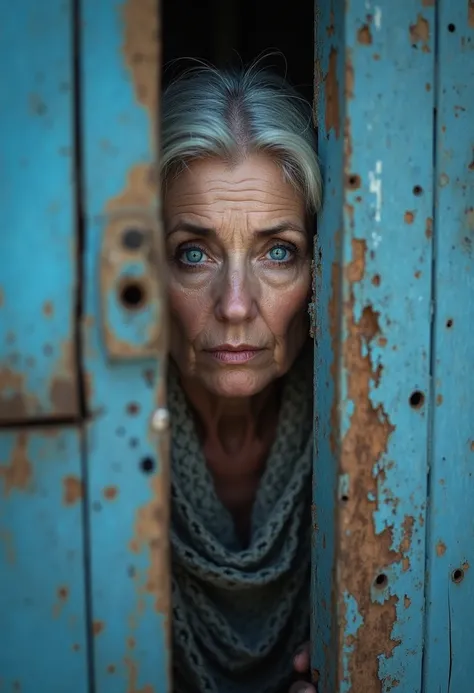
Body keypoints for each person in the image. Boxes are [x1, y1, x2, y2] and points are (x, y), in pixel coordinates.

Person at [161, 61, 322, 693]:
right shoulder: (93, 455)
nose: (234, 305)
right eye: (192, 253)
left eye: (277, 251)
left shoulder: (366, 431)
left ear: (322, 266)